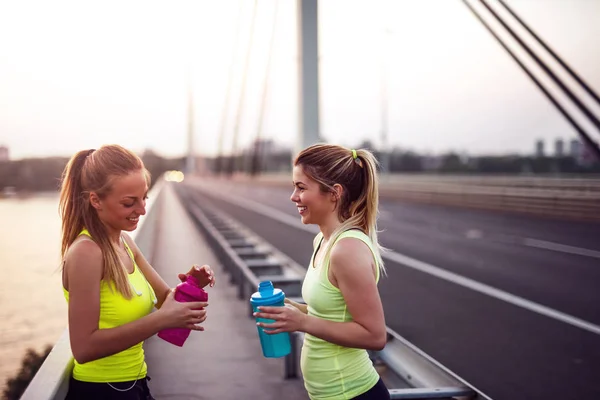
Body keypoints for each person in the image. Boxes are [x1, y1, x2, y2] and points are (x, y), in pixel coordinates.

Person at [59, 144, 215, 400]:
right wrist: (161, 320)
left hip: (136, 384)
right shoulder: (86, 253)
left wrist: (193, 284)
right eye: (129, 203)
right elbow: (83, 348)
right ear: (95, 200)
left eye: (144, 198)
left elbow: (166, 299)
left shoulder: (124, 242)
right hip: (102, 392)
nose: (142, 210)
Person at [254, 144, 390, 399]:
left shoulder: (347, 249)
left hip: (352, 393)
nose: (294, 196)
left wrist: (303, 322)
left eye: (301, 187)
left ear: (334, 193)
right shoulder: (324, 241)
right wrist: (295, 311)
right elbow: (334, 315)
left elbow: (374, 335)